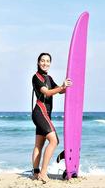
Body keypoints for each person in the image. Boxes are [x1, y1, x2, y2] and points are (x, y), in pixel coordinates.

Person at [31, 52, 72, 183]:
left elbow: (59, 90)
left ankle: (36, 173)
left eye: (47, 61)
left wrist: (67, 86)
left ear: (50, 63)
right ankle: (43, 173)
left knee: (39, 144)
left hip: (44, 115)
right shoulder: (36, 77)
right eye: (42, 61)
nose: (45, 63)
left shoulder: (49, 78)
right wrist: (61, 87)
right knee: (54, 141)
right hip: (40, 112)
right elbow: (47, 92)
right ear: (38, 62)